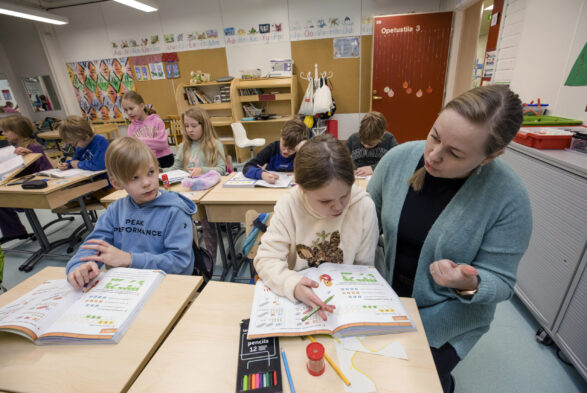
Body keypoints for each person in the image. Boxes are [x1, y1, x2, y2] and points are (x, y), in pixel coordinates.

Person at [367, 85, 533, 393]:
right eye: (434, 135)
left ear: (490, 156)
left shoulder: (509, 198)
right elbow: (363, 220)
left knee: (411, 384)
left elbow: (502, 282)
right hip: (387, 300)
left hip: (448, 316)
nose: (433, 155)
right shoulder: (398, 160)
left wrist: (467, 282)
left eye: (455, 153)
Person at [254, 134, 379, 320]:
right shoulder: (289, 205)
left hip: (344, 304)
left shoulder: (363, 207)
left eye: (344, 196)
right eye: (325, 200)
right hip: (297, 303)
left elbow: (364, 270)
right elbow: (266, 259)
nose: (338, 206)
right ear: (302, 189)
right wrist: (292, 285)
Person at [65, 137, 196, 289]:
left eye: (150, 172)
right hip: (126, 288)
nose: (147, 182)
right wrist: (78, 267)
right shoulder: (115, 211)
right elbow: (93, 246)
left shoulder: (175, 211)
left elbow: (180, 263)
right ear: (116, 183)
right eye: (135, 177)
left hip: (167, 286)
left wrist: (129, 259)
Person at [166, 107, 227, 264]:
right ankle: (190, 258)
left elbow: (222, 169)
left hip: (208, 195)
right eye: (186, 126)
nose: (189, 130)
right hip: (188, 194)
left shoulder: (215, 145)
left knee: (207, 225)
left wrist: (203, 170)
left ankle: (210, 261)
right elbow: (176, 168)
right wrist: (159, 174)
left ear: (204, 125)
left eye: (194, 126)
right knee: (179, 221)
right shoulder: (183, 146)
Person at [0, 115, 53, 244]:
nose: (3, 133)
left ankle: (15, 231)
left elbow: (45, 169)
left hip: (35, 187)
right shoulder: (13, 149)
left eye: (6, 131)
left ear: (17, 131)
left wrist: (29, 154)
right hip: (20, 184)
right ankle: (14, 231)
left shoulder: (33, 147)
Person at [242, 118, 308, 184]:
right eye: (284, 145)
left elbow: (315, 171)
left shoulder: (301, 152)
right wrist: (262, 175)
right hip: (272, 187)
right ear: (281, 134)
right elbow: (247, 168)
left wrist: (304, 149)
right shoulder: (272, 149)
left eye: (292, 149)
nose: (286, 151)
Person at [122, 91, 174, 169]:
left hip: (164, 159)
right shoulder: (131, 128)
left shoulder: (156, 121)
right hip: (144, 161)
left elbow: (163, 144)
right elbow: (133, 150)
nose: (129, 112)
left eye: (131, 108)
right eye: (125, 110)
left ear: (142, 106)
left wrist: (139, 141)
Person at [345, 111, 398, 177]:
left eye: (371, 144)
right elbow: (339, 158)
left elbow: (397, 160)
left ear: (382, 134)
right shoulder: (353, 138)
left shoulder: (389, 139)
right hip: (358, 179)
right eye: (363, 142)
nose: (366, 146)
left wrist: (374, 168)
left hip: (379, 178)